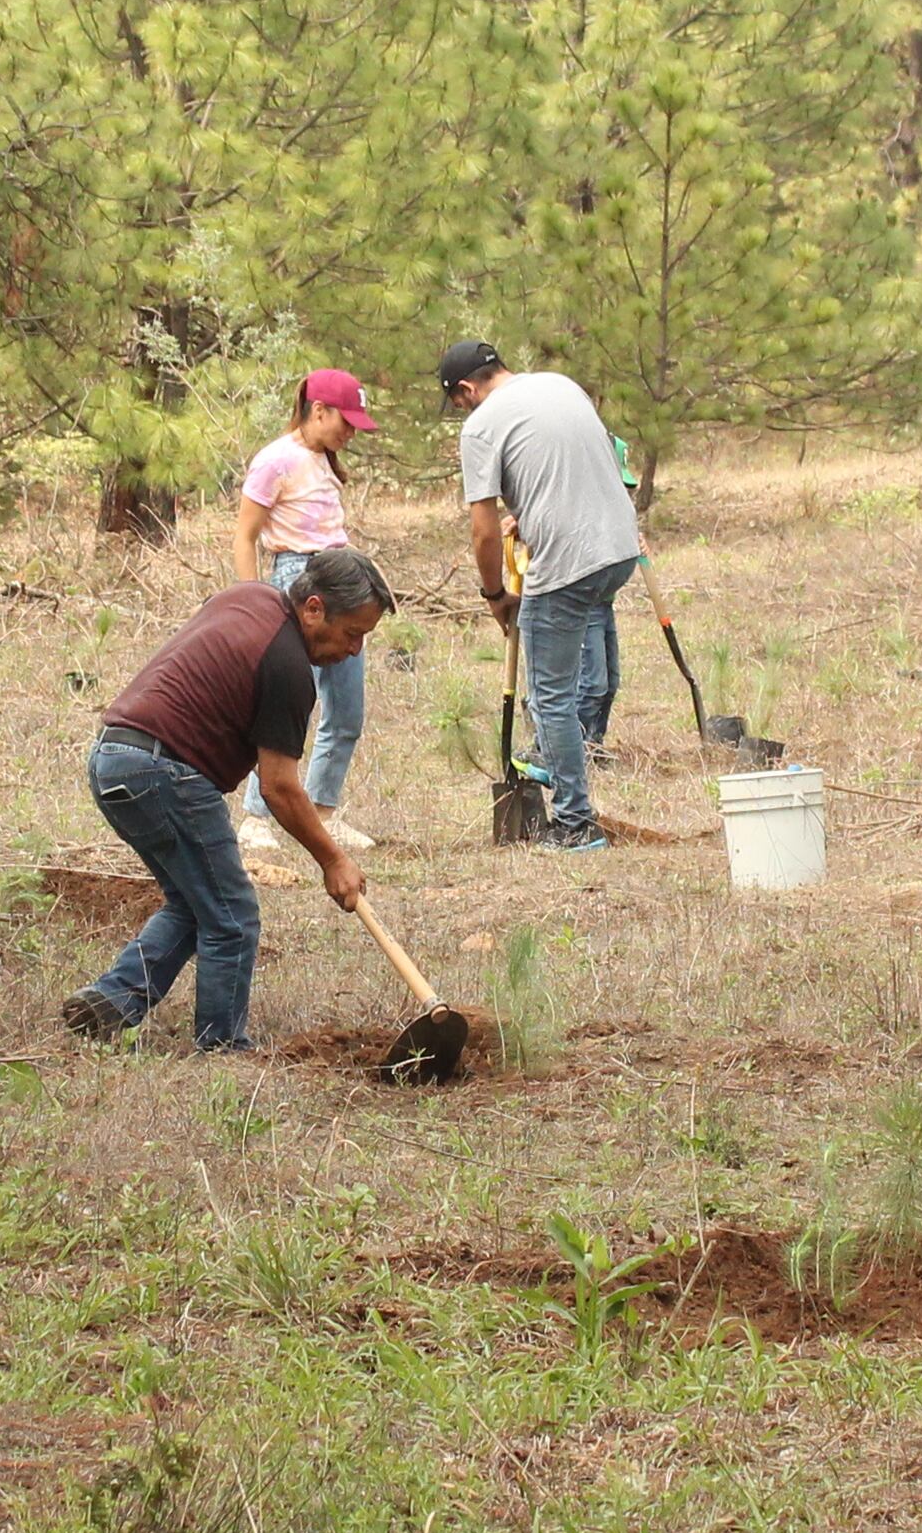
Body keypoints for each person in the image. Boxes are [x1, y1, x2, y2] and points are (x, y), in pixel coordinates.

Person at [60, 549, 391, 1052]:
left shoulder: (249, 596)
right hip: (165, 773)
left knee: (197, 903)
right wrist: (333, 859)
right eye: (352, 634)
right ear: (315, 608)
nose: (354, 650)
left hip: (112, 759)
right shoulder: (287, 669)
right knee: (233, 916)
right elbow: (279, 787)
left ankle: (113, 1001)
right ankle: (223, 1046)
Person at [437, 338, 646, 852]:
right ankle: (556, 755)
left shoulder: (481, 426)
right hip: (619, 549)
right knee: (566, 683)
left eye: (459, 401)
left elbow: (484, 531)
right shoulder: (560, 384)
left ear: (466, 388)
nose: (463, 410)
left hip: (570, 563)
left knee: (550, 697)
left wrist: (496, 596)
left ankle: (575, 823)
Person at [228, 370, 381, 852]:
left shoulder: (325, 461)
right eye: (345, 422)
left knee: (347, 709)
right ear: (318, 411)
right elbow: (245, 535)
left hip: (341, 574)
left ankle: (323, 811)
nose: (350, 433)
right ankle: (256, 817)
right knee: (286, 704)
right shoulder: (276, 460)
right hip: (297, 577)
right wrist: (251, 599)